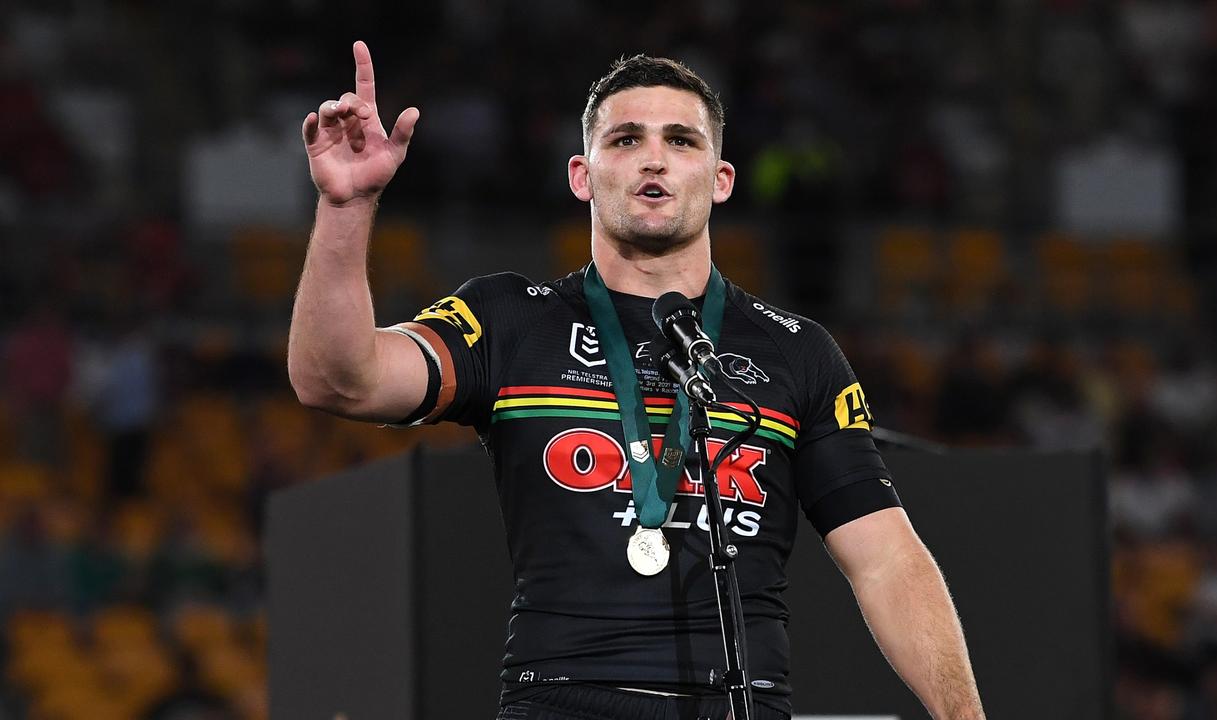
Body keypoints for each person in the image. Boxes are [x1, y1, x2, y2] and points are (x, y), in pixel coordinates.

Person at [289, 41, 986, 720]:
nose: (654, 157)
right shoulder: (508, 321)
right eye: (625, 140)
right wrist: (347, 210)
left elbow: (887, 559)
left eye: (681, 140)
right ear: (581, 176)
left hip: (743, 702)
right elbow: (340, 380)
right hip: (562, 699)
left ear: (721, 179)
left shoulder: (797, 352)